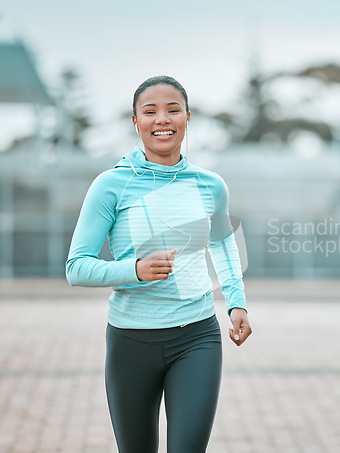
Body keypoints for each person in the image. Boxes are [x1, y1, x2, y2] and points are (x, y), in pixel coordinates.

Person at [66, 75, 252, 453]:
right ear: (136, 122)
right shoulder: (111, 185)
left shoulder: (211, 184)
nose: (162, 120)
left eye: (173, 110)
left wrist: (236, 301)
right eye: (149, 112)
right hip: (131, 341)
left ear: (187, 117)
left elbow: (223, 244)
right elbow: (77, 267)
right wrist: (133, 270)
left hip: (197, 337)